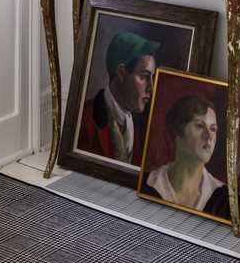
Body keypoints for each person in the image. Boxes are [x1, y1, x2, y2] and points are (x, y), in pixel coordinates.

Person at [141, 95, 230, 219]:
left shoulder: (223, 198)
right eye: (199, 126)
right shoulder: (148, 184)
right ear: (177, 131)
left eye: (213, 129)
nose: (209, 136)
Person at [77, 32, 159, 165]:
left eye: (152, 77)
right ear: (121, 73)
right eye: (144, 76)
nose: (152, 87)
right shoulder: (84, 119)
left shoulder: (144, 127)